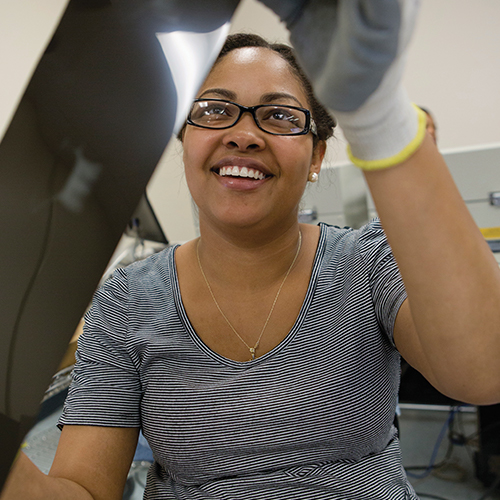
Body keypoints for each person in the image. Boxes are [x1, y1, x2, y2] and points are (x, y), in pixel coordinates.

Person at [3, 6, 500, 500]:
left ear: (317, 156)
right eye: (215, 110)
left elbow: (485, 372)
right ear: (186, 139)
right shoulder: (127, 299)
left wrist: (379, 113)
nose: (243, 134)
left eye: (279, 115)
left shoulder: (366, 262)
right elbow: (84, 491)